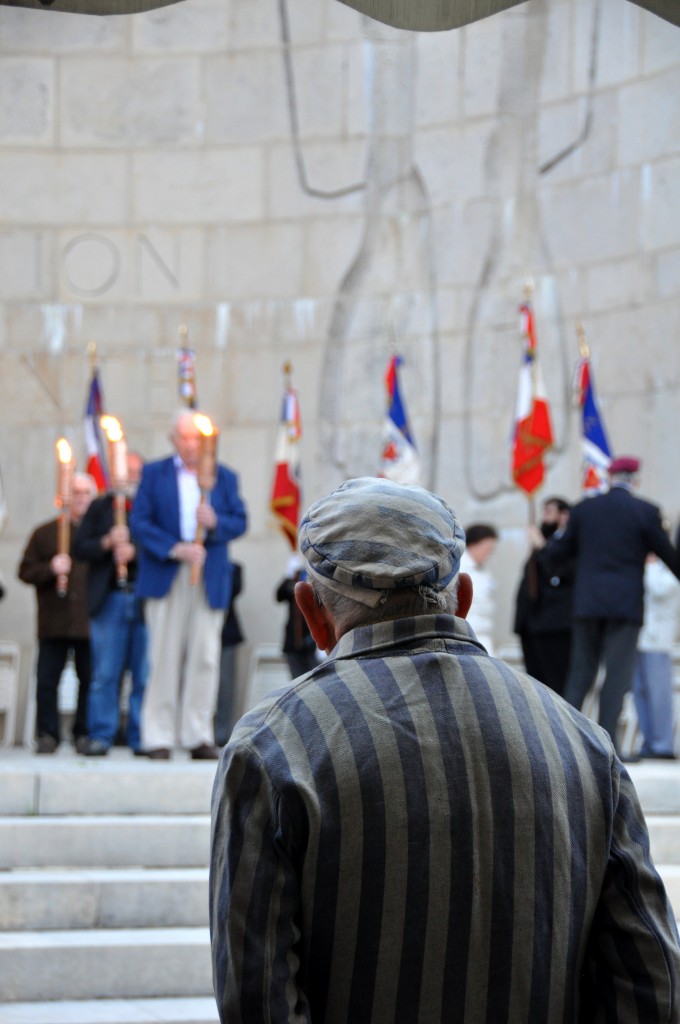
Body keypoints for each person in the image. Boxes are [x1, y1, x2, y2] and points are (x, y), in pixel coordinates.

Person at [210, 477, 680, 1024]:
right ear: (463, 599)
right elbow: (652, 987)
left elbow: (255, 999)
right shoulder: (584, 742)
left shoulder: (271, 746)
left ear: (312, 614)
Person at [130, 409, 247, 759]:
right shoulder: (154, 474)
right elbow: (139, 521)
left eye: (197, 438)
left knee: (205, 657)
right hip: (167, 573)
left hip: (208, 576)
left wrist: (215, 522)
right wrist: (174, 548)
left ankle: (197, 733)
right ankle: (158, 736)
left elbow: (240, 520)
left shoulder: (225, 477)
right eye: (185, 437)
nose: (192, 444)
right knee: (162, 655)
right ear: (173, 439)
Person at [550, 456, 680, 751]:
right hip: (625, 605)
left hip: (587, 603)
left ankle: (563, 741)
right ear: (635, 479)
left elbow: (557, 554)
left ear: (609, 476)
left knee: (580, 672)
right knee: (617, 676)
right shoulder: (646, 511)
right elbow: (668, 555)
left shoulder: (583, 509)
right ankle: (608, 746)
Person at [73, 451, 147, 756]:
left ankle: (141, 736)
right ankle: (101, 734)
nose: (128, 477)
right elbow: (80, 547)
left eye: (134, 472)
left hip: (143, 598)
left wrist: (135, 551)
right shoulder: (100, 507)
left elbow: (163, 545)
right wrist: (106, 542)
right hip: (109, 598)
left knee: (143, 672)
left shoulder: (149, 507)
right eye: (123, 471)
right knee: (105, 672)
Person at [17, 472, 97, 754]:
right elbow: (24, 571)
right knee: (48, 680)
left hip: (89, 621)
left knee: (89, 680)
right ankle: (47, 733)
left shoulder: (98, 535)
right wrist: (51, 568)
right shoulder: (45, 533)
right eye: (74, 492)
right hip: (54, 620)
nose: (80, 499)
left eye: (85, 493)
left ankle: (83, 733)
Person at [513, 496, 573, 695]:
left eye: (550, 511)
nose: (545, 516)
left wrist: (543, 547)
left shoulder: (566, 543)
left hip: (554, 625)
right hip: (532, 623)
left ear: (564, 516)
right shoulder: (544, 541)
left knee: (554, 683)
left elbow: (559, 571)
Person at [630, 554, 679, 761]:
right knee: (640, 692)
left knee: (658, 693)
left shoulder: (667, 568)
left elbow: (660, 590)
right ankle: (649, 742)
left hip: (658, 641)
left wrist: (649, 566)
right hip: (639, 638)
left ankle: (663, 745)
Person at [214, 561, 245, 747]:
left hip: (226, 636)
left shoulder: (234, 569)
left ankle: (221, 733)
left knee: (225, 687)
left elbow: (232, 590)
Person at [275, 553, 318, 679]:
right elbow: (279, 596)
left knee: (314, 680)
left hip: (312, 640)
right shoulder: (294, 578)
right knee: (296, 681)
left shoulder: (314, 577)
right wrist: (288, 576)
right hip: (293, 640)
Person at [458, 522, 498, 653]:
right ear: (474, 544)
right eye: (487, 548)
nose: (488, 553)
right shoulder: (459, 568)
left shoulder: (484, 571)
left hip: (484, 634)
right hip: (465, 635)